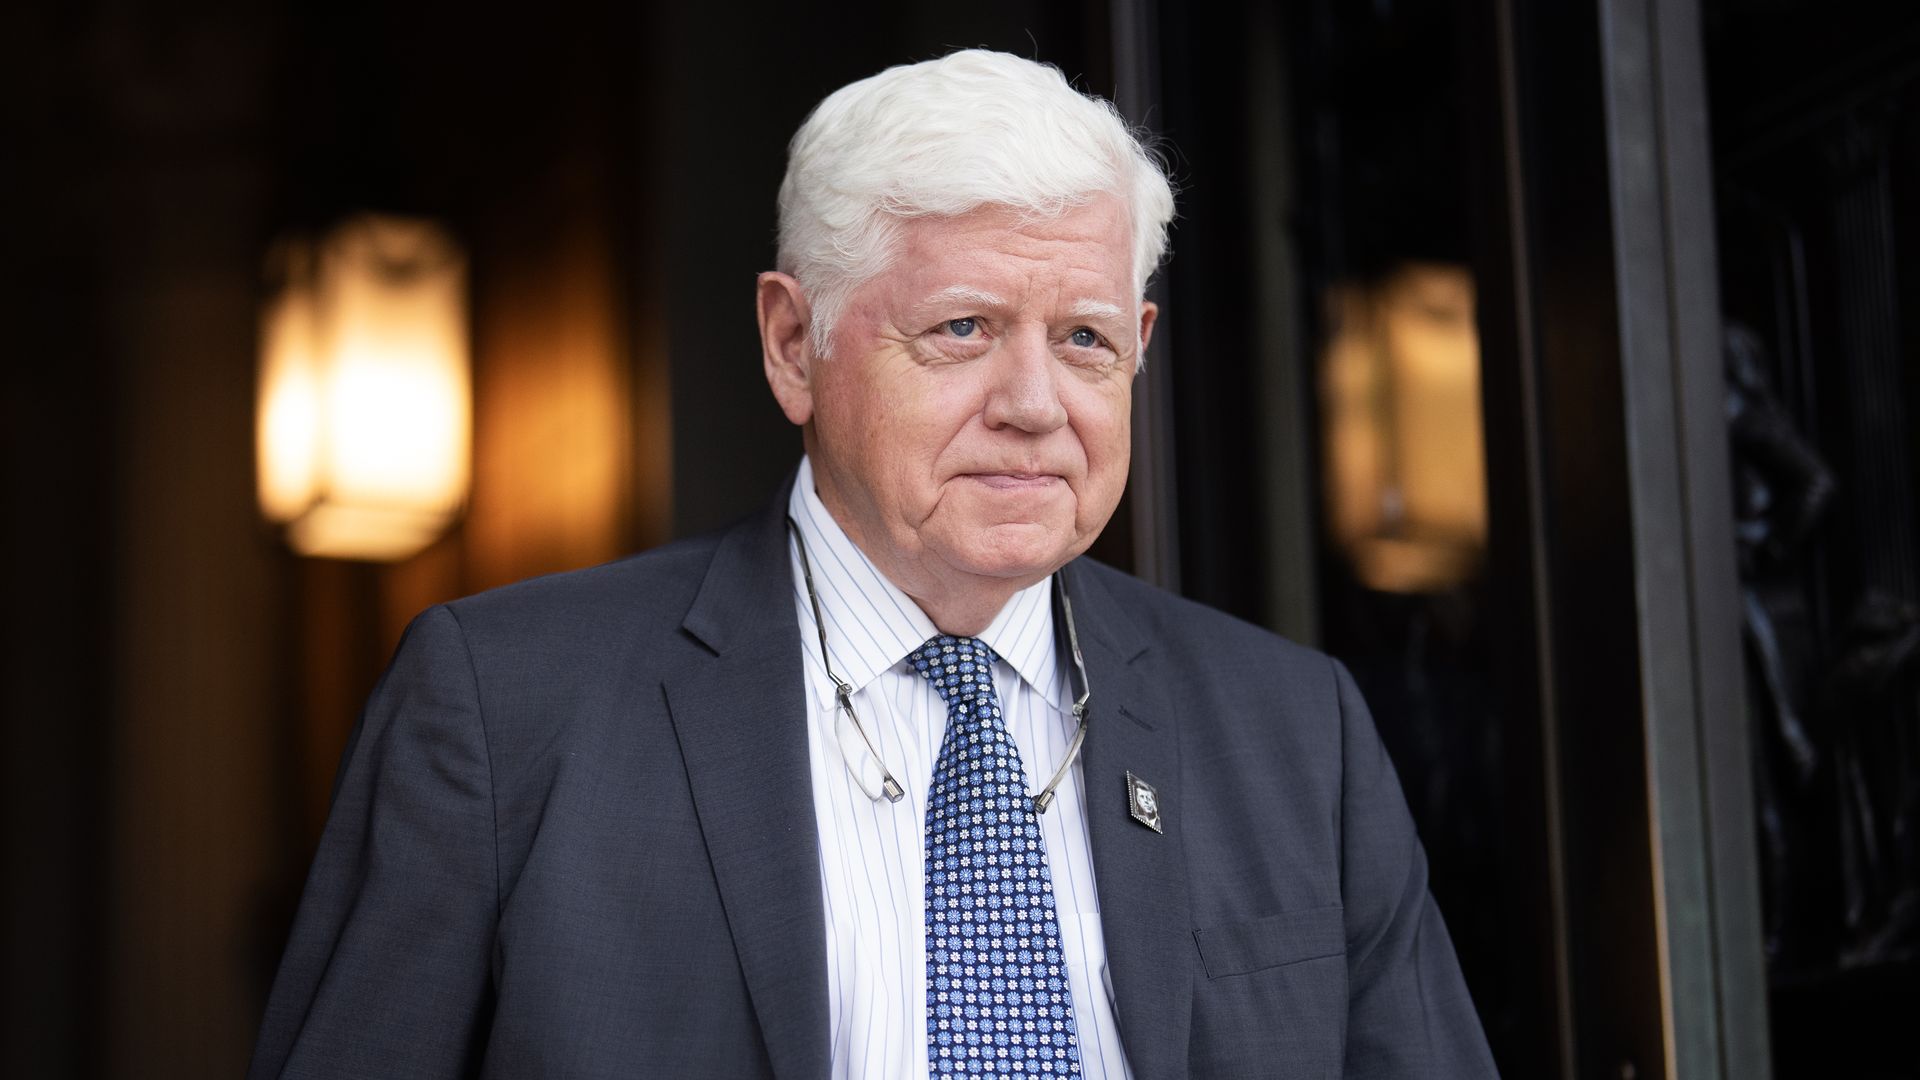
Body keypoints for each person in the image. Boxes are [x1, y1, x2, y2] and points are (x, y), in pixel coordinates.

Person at [249, 49, 1496, 1080]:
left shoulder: (1296, 732)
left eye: (1083, 339)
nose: (1035, 402)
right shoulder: (503, 707)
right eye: (962, 330)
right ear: (795, 345)